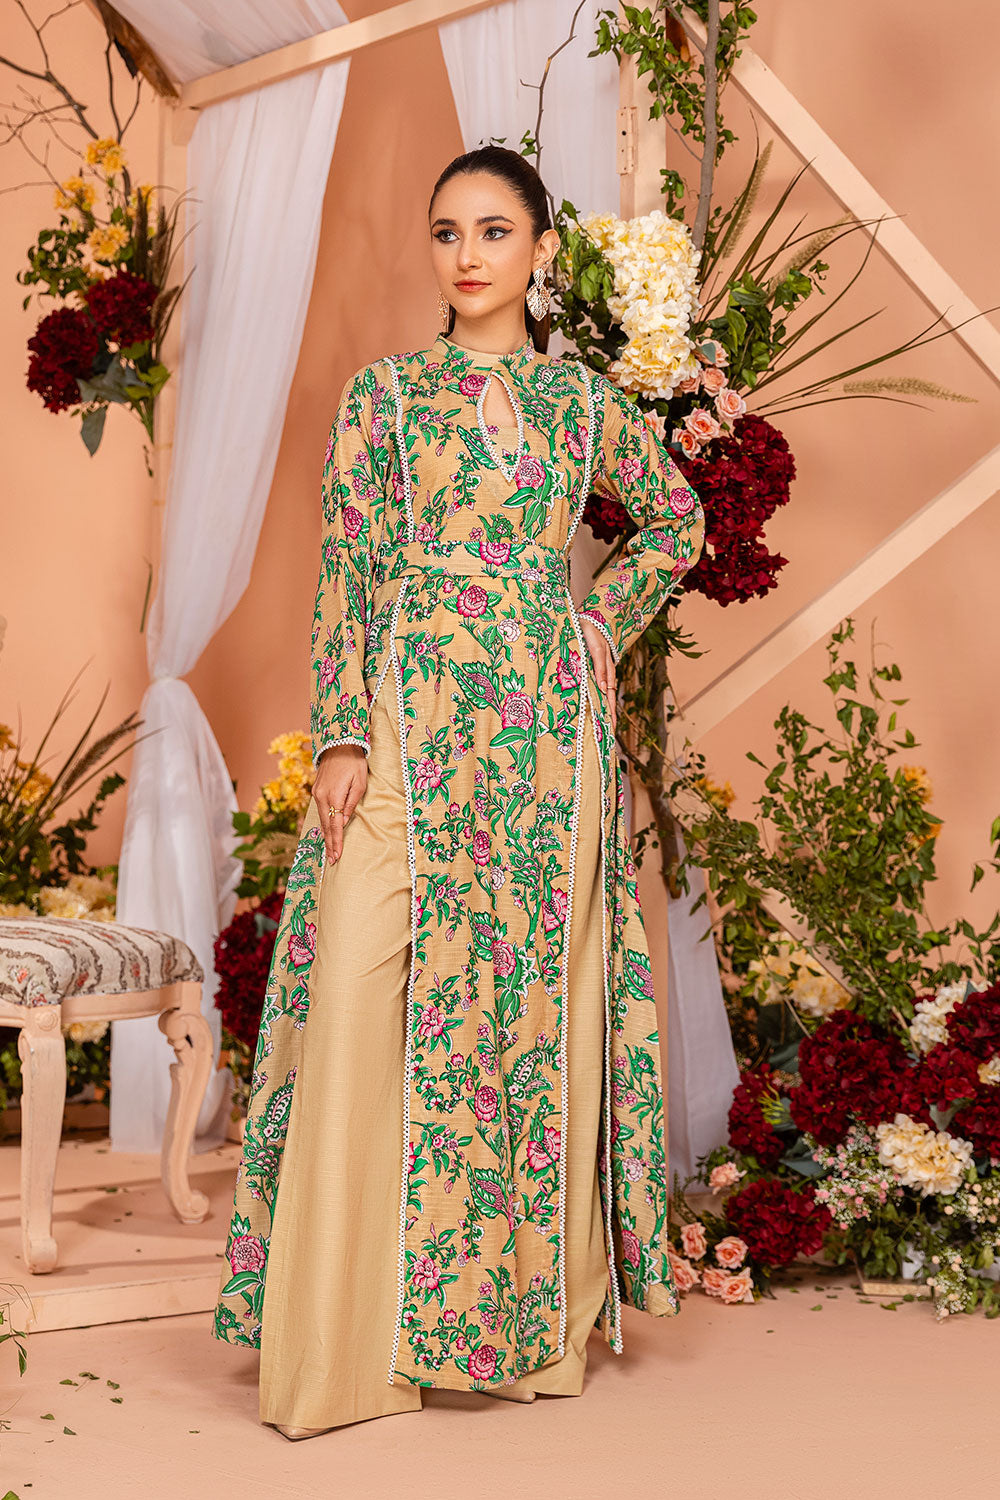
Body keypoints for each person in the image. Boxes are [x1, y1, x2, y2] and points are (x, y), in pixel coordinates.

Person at [212, 144, 705, 1440]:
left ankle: (508, 1335)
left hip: (543, 738)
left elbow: (677, 519)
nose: (468, 253)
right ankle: (341, 1351)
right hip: (406, 723)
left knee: (520, 1015)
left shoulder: (583, 403)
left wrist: (600, 621)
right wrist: (338, 736)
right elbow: (347, 568)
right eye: (447, 231)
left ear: (540, 249)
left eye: (494, 229)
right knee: (360, 990)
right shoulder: (383, 398)